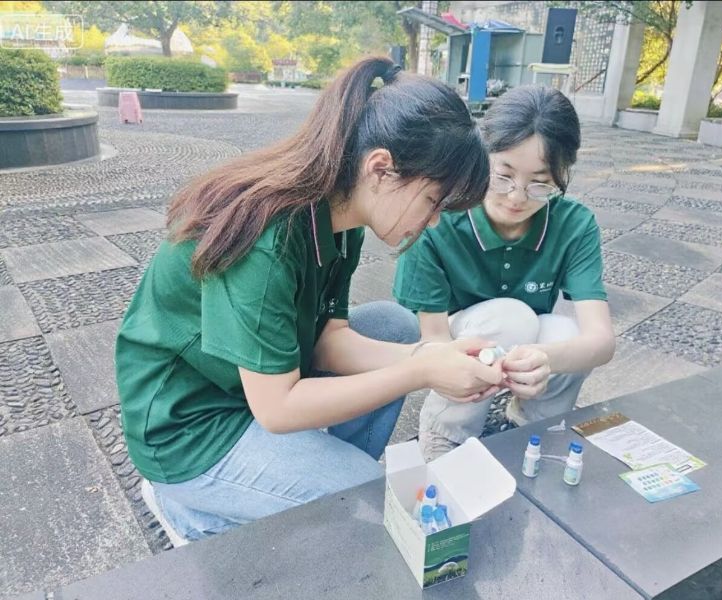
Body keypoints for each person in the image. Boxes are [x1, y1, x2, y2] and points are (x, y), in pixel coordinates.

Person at [115, 57, 501, 544]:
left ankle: (310, 483)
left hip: (248, 385)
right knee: (366, 498)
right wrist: (421, 371)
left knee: (394, 327)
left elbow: (328, 341)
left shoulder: (342, 216)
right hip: (192, 425)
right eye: (433, 202)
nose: (436, 220)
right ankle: (195, 509)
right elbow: (277, 408)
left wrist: (433, 355)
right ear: (380, 169)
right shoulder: (267, 239)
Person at [393, 85, 616, 461]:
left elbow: (601, 340)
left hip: (521, 341)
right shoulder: (440, 215)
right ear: (482, 156)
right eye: (503, 177)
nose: (517, 197)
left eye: (540, 184)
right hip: (456, 334)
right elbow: (433, 340)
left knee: (567, 335)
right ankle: (446, 431)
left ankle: (534, 425)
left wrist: (545, 359)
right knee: (512, 318)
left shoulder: (573, 223)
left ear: (562, 175)